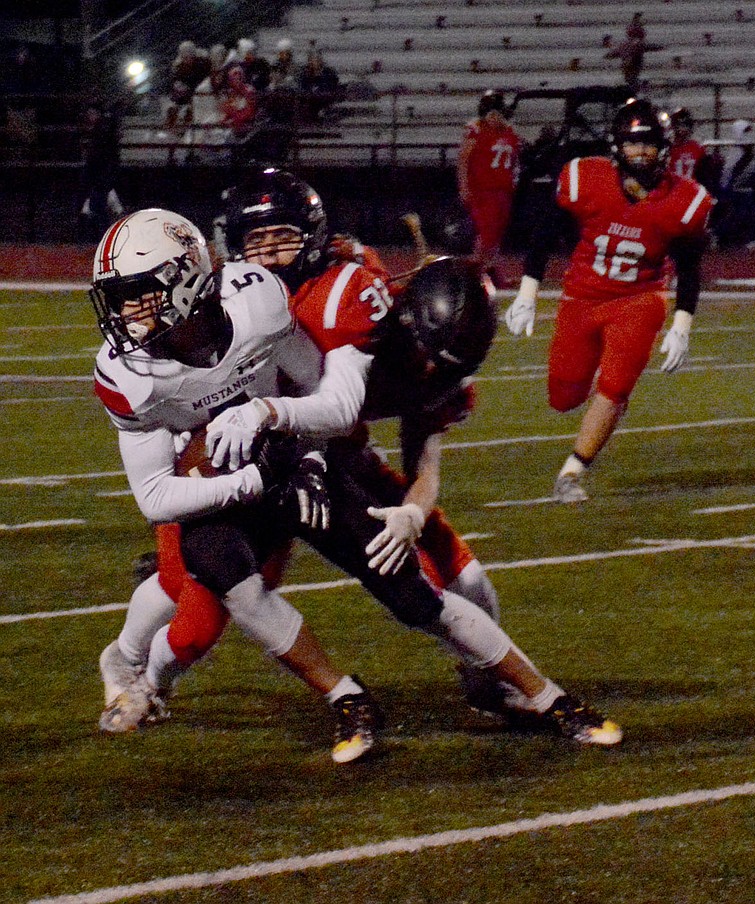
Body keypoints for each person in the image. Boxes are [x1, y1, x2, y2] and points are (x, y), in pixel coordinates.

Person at [108, 170, 623, 749]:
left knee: (442, 586)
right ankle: (138, 677)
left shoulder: (353, 307)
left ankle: (516, 688)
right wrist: (232, 466)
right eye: (261, 240)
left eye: (284, 237)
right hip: (236, 466)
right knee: (198, 604)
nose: (272, 255)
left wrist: (408, 511)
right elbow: (161, 473)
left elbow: (345, 409)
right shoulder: (226, 305)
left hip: (327, 460)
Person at [90, 208, 381, 764]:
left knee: (207, 598)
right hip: (205, 479)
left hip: (283, 455)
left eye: (137, 293)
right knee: (194, 619)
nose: (123, 313)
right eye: (117, 296)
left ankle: (140, 671)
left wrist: (308, 456)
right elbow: (153, 496)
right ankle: (129, 664)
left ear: (184, 280)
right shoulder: (128, 372)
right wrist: (248, 480)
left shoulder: (255, 304)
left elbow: (312, 383)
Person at [505, 98, 714, 503]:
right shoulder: (587, 179)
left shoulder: (684, 200)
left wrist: (682, 324)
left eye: (650, 143)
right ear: (616, 146)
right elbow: (545, 233)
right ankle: (585, 425)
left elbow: (689, 268)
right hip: (582, 297)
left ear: (664, 148)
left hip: (639, 298)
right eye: (633, 143)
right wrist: (528, 291)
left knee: (616, 385)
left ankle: (571, 472)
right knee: (563, 398)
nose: (641, 151)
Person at [456, 90, 523, 288]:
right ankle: (472, 274)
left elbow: (514, 161)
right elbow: (463, 160)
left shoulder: (509, 132)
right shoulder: (476, 129)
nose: (494, 118)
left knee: (496, 235)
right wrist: (464, 186)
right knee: (486, 234)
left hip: (503, 190)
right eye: (491, 114)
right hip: (483, 190)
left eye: (498, 113)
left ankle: (490, 273)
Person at [714, 118, 755, 249]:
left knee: (748, 214)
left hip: (747, 189)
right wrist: (726, 192)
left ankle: (752, 239)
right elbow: (728, 175)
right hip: (734, 190)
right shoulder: (734, 155)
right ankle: (716, 234)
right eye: (745, 131)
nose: (749, 135)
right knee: (739, 215)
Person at [78, 102, 125, 241]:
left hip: (103, 172)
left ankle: (106, 236)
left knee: (99, 206)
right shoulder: (99, 131)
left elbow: (100, 156)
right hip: (100, 173)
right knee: (99, 205)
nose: (90, 117)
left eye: (92, 114)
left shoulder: (102, 131)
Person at [604, 19, 663, 92]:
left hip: (628, 70)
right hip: (632, 69)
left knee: (631, 81)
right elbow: (649, 47)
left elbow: (612, 54)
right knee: (633, 83)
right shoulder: (637, 44)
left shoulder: (623, 44)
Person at [668, 107, 711, 185]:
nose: (682, 129)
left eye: (685, 125)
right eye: (679, 125)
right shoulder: (668, 148)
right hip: (672, 190)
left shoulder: (697, 148)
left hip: (692, 190)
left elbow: (704, 173)